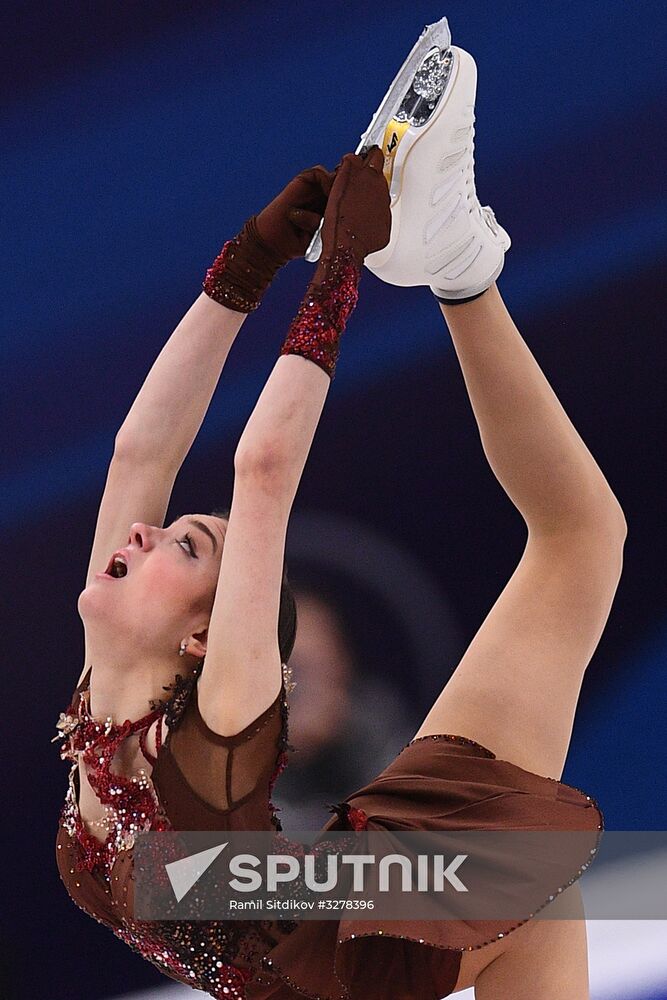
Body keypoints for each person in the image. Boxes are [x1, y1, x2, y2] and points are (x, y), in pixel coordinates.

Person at [54, 43, 625, 1000]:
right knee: (528, 863)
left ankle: (458, 266)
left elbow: (170, 458)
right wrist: (303, 271)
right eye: (183, 541)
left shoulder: (158, 705)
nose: (140, 532)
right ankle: (458, 269)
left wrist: (273, 266)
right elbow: (214, 463)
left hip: (327, 903)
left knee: (576, 546)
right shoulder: (189, 725)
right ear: (201, 637)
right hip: (336, 962)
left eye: (177, 540)